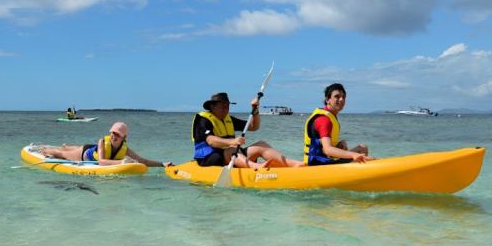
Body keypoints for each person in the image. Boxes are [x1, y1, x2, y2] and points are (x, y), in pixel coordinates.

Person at [193, 92, 304, 168]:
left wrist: (255, 111)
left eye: (227, 106)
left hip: (233, 156)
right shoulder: (203, 120)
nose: (226, 109)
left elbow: (253, 126)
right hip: (209, 159)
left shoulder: (228, 119)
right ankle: (256, 167)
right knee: (231, 149)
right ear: (212, 106)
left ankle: (292, 164)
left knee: (261, 144)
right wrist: (232, 142)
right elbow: (211, 140)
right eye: (222, 106)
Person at [40, 122, 172, 167]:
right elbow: (102, 162)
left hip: (92, 149)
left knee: (68, 149)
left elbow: (143, 160)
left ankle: (67, 145)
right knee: (61, 154)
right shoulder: (103, 141)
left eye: (117, 134)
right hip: (85, 154)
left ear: (124, 137)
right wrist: (121, 163)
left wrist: (162, 164)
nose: (114, 136)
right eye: (112, 133)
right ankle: (45, 150)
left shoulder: (125, 149)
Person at [303, 83, 374, 165]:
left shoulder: (329, 116)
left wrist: (338, 145)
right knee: (366, 158)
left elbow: (321, 146)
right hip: (318, 166)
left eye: (343, 97)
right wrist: (353, 155)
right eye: (337, 96)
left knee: (362, 148)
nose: (341, 99)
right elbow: (327, 149)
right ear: (327, 100)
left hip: (324, 161)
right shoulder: (324, 120)